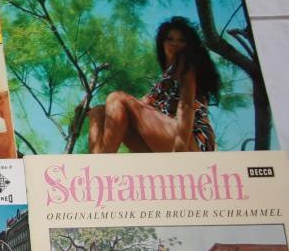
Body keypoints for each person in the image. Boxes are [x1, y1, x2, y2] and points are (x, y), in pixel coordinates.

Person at [88, 16, 220, 153]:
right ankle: (98, 164)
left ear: (189, 44)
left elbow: (186, 104)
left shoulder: (187, 62)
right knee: (99, 112)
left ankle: (104, 160)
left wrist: (180, 148)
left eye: (182, 40)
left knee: (116, 98)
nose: (175, 44)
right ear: (162, 43)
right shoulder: (163, 82)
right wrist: (90, 112)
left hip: (191, 141)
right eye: (170, 39)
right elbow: (136, 108)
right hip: (167, 140)